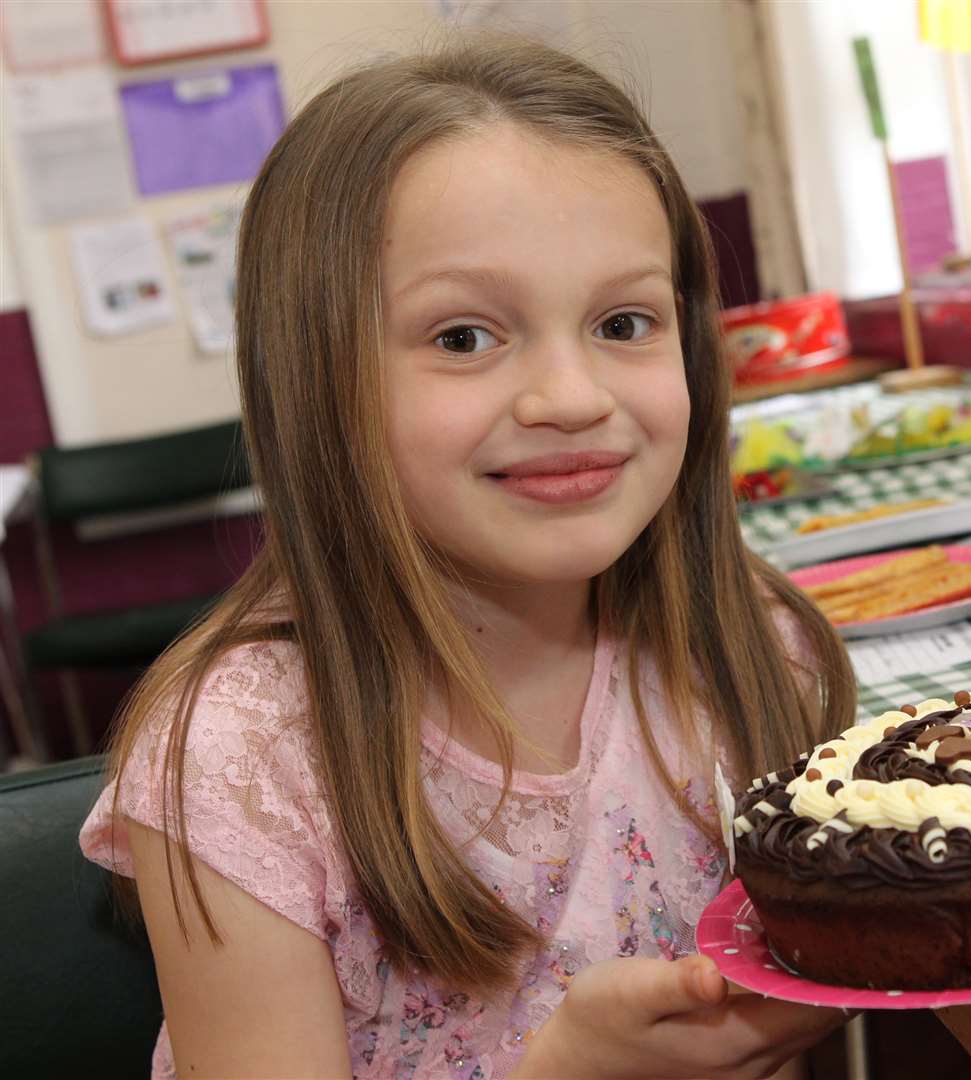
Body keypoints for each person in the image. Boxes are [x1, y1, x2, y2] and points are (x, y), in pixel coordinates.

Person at [80, 33, 857, 1080]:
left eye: (623, 321)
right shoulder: (241, 765)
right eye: (463, 339)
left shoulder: (755, 652)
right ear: (320, 380)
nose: (572, 397)